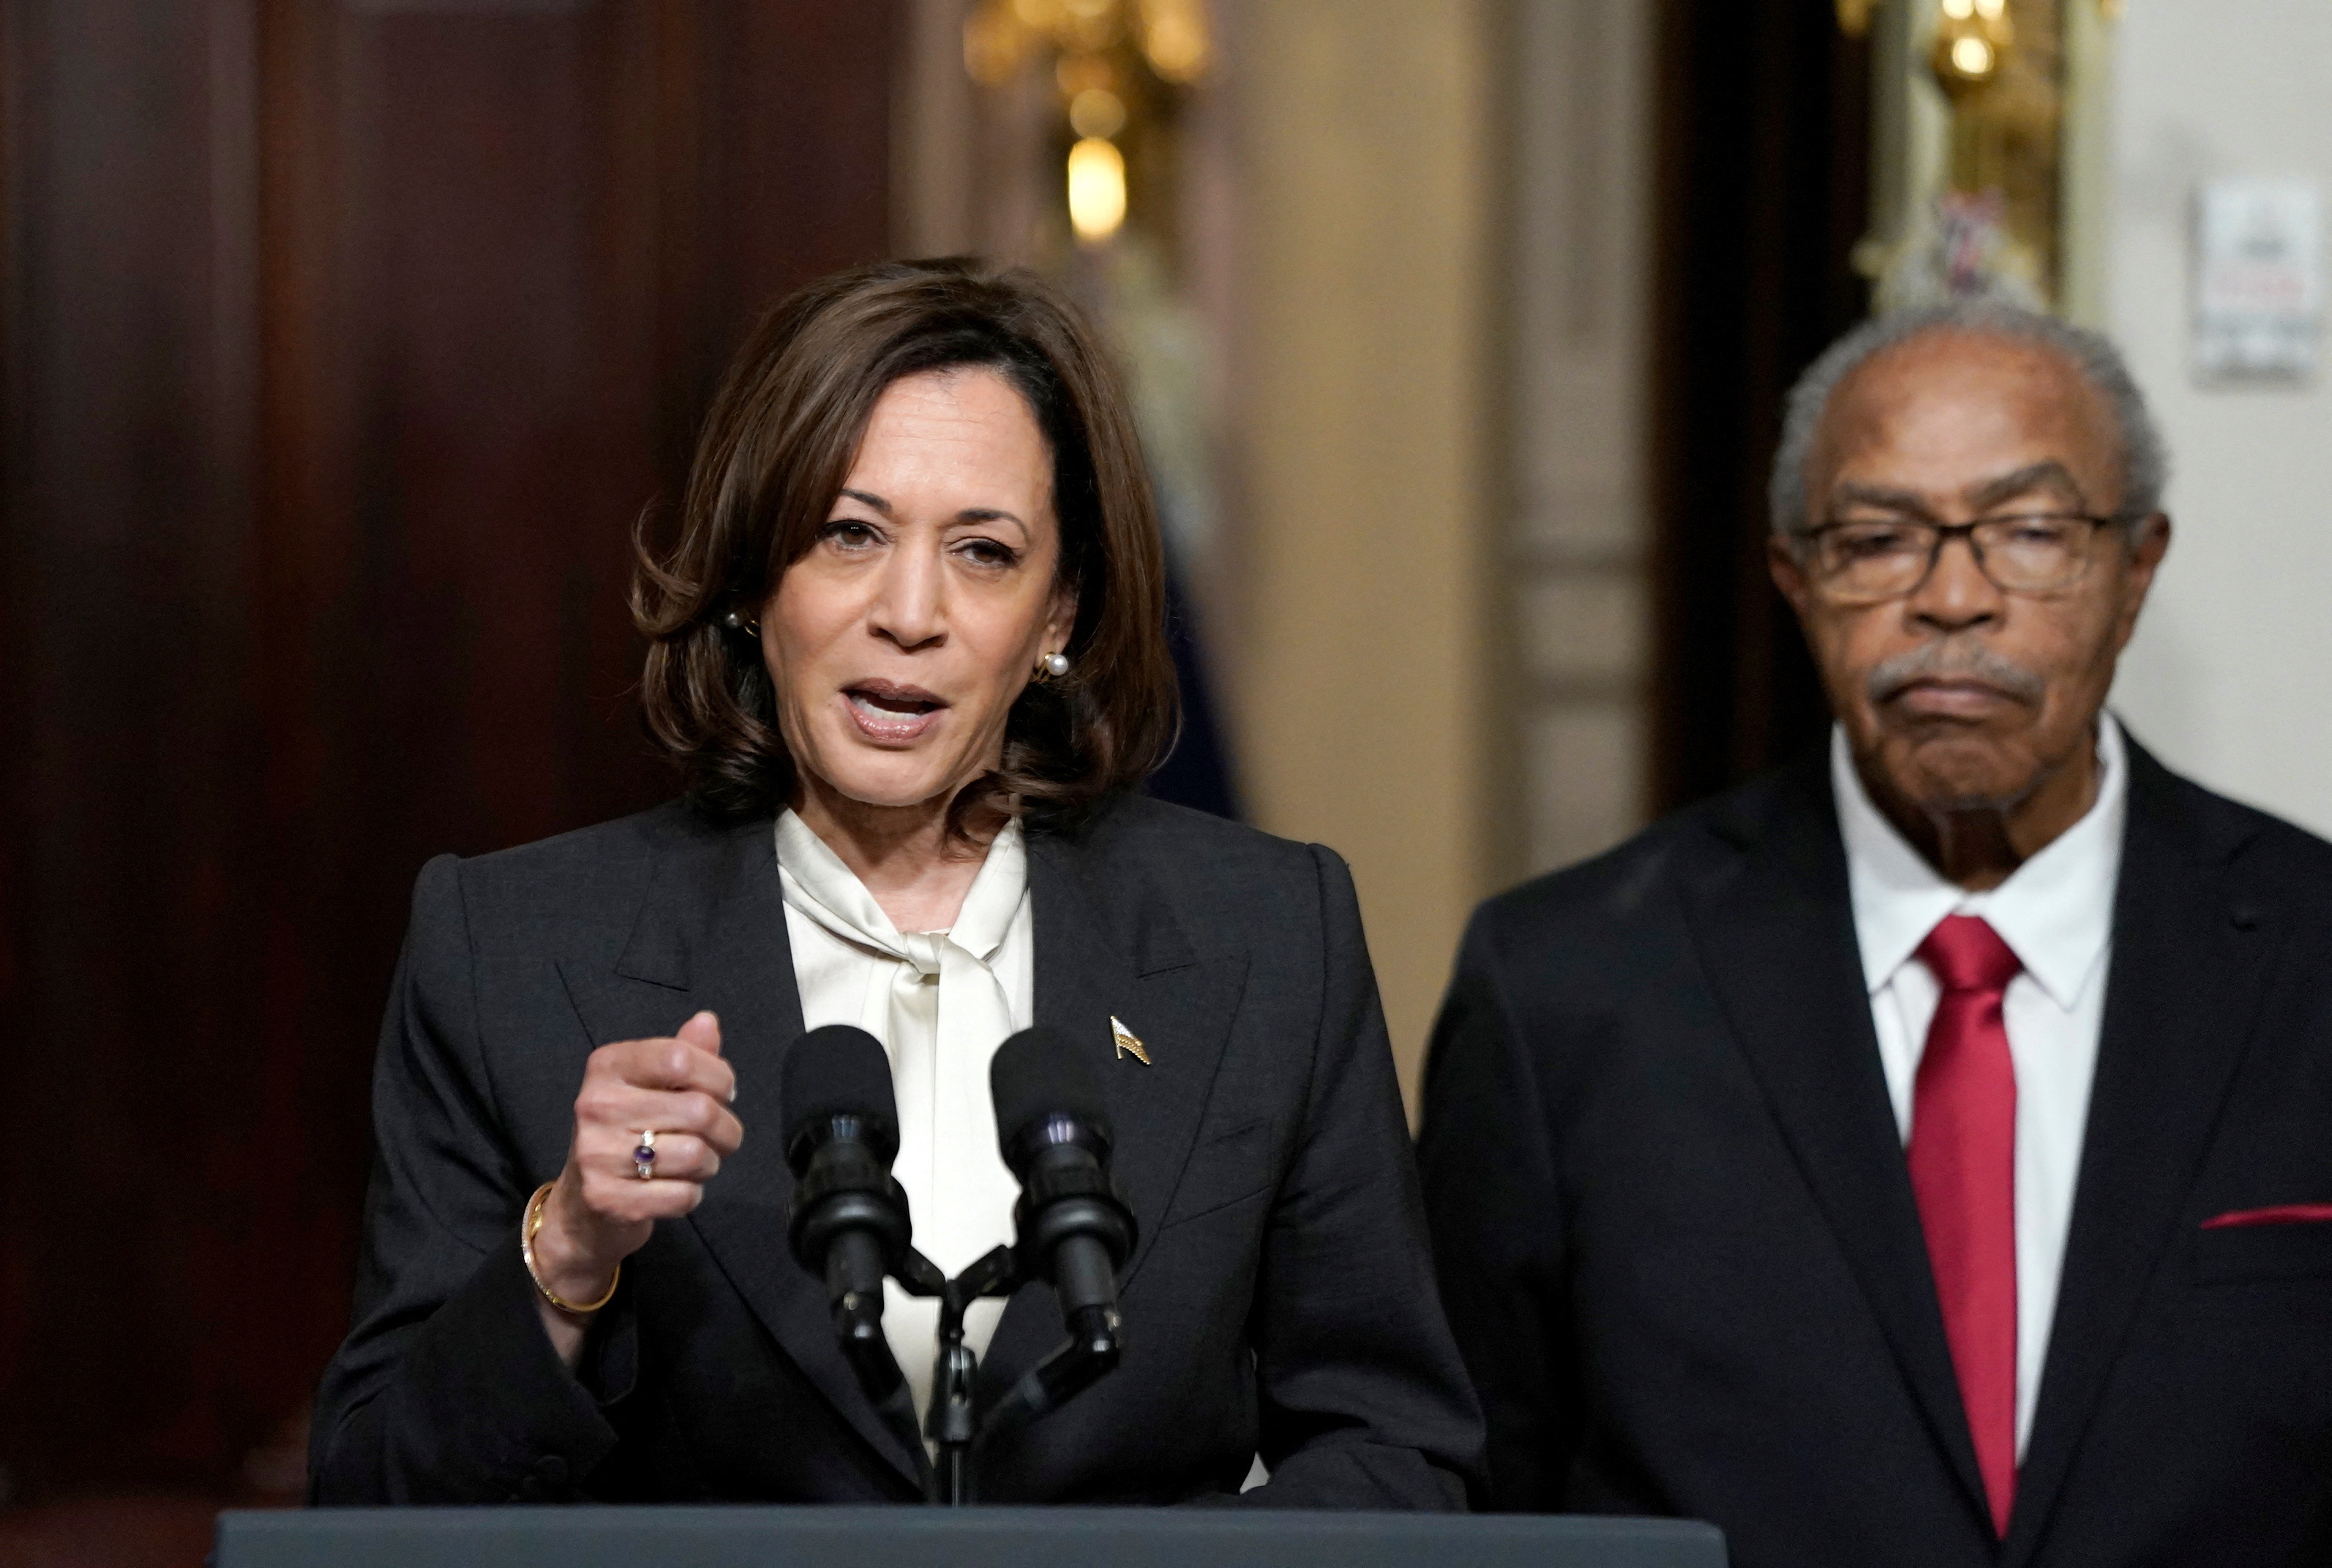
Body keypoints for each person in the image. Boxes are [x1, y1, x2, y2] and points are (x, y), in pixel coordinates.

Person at [310, 258, 1480, 1507]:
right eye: (849, 534)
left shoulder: (1265, 938)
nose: (910, 612)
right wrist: (571, 1253)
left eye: (983, 551)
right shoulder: (513, 952)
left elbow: (1394, 1453)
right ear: (758, 580)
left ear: (1057, 615)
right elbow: (377, 1495)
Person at [1419, 301, 2332, 1566]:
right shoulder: (1568, 993)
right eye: (1878, 540)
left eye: (2028, 532)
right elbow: (1470, 1508)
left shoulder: (2309, 955)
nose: (1952, 599)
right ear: (1798, 582)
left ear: (2135, 572)